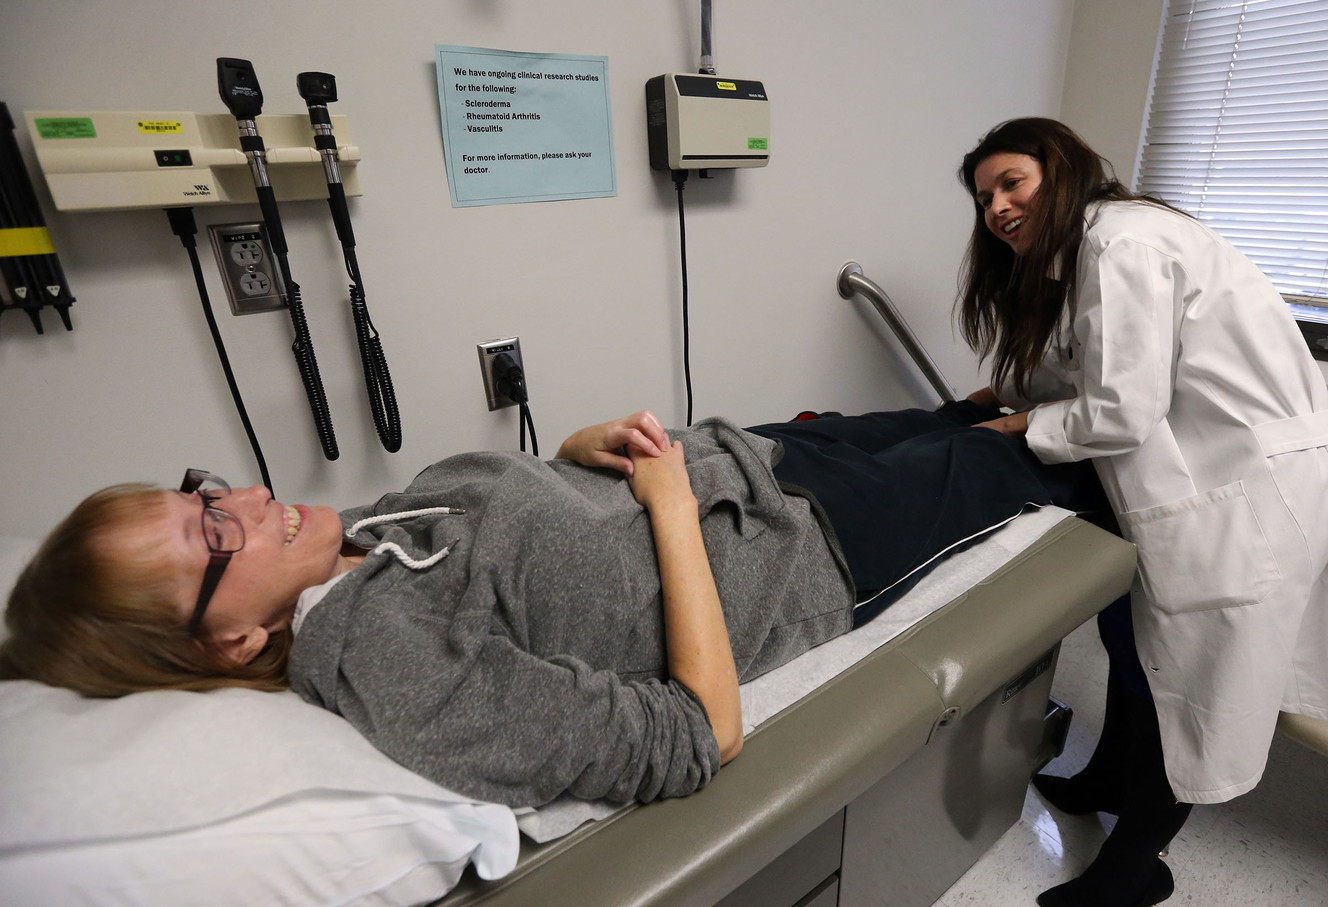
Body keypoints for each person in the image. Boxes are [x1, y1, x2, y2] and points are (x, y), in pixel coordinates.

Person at [0, 404, 1095, 809]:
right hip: (814, 546)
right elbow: (694, 734)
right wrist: (666, 508)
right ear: (231, 638)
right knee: (1061, 458)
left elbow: (514, 537)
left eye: (199, 493)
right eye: (212, 534)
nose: (239, 496)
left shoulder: (349, 546)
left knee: (987, 413)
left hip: (755, 450)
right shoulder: (387, 667)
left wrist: (576, 453)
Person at [956, 116, 1328, 907]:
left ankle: (1134, 871)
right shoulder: (1092, 251)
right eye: (985, 196)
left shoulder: (1121, 242)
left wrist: (1022, 423)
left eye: (1011, 182)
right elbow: (1080, 358)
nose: (996, 207)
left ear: (1059, 171)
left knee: (1186, 678)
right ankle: (1102, 777)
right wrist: (1002, 395)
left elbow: (1119, 408)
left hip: (1244, 497)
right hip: (1195, 485)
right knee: (1130, 641)